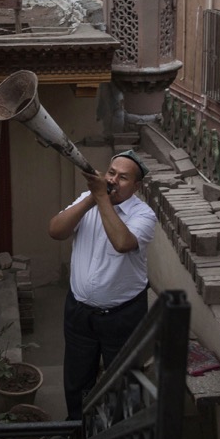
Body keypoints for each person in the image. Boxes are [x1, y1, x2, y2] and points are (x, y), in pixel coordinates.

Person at [48, 150, 156, 420]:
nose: (113, 181)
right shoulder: (88, 200)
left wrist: (101, 199)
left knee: (124, 381)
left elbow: (122, 243)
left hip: (123, 316)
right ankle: (76, 431)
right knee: (76, 379)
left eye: (123, 178)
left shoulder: (144, 215)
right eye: (111, 173)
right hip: (79, 313)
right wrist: (90, 201)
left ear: (136, 186)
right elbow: (55, 231)